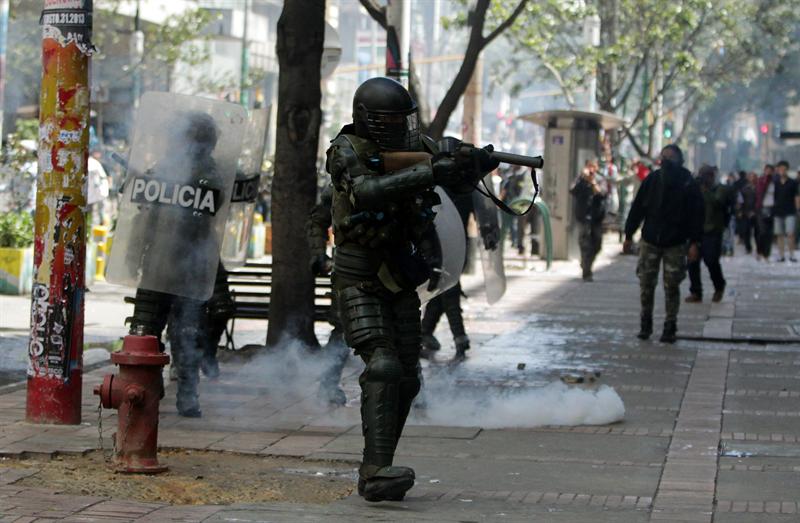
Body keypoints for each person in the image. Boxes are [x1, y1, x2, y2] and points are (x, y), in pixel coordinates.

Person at [326, 77, 497, 502]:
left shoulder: (419, 144)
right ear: (367, 119)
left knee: (407, 376)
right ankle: (377, 469)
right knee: (383, 364)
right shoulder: (345, 149)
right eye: (390, 121)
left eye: (404, 120)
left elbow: (450, 177)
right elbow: (365, 192)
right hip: (359, 276)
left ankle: (376, 468)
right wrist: (431, 170)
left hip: (400, 276)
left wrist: (472, 165)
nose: (400, 128)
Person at [623, 144, 704, 343]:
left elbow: (697, 215)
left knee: (672, 285)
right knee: (646, 283)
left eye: (670, 157)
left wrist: (695, 242)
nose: (666, 160)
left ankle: (670, 325)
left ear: (679, 159)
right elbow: (638, 208)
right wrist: (628, 234)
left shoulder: (688, 183)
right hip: (650, 239)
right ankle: (646, 323)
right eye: (663, 156)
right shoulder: (652, 180)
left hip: (675, 242)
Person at [306, 185, 349, 406]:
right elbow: (318, 219)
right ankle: (328, 385)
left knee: (402, 328)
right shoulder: (348, 179)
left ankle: (413, 390)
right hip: (350, 266)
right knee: (343, 329)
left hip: (391, 267)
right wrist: (318, 255)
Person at [686, 165, 733, 303]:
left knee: (711, 260)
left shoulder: (721, 189)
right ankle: (696, 291)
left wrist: (705, 190)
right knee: (692, 260)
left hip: (713, 230)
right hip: (696, 229)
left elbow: (717, 203)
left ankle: (719, 286)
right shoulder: (696, 188)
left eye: (706, 175)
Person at [570, 159, 607, 281]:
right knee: (585, 244)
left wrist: (593, 182)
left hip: (597, 217)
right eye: (589, 166)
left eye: (593, 166)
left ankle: (586, 263)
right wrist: (583, 179)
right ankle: (587, 271)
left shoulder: (600, 179)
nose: (591, 169)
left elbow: (602, 194)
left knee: (597, 244)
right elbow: (572, 190)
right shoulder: (580, 179)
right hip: (583, 217)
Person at [772, 160, 799, 262]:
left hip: (790, 211)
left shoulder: (793, 183)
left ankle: (792, 254)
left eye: (784, 169)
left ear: (787, 170)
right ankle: (781, 255)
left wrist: (797, 209)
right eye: (780, 169)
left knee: (790, 234)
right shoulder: (775, 183)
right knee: (779, 234)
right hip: (778, 211)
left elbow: (796, 197)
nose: (782, 171)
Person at [755, 164, 776, 260]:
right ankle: (759, 251)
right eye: (767, 170)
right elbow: (759, 192)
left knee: (769, 233)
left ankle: (767, 253)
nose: (768, 172)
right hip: (762, 207)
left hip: (772, 208)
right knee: (762, 231)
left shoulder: (775, 181)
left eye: (770, 171)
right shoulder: (761, 180)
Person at [736, 172, 758, 255]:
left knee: (758, 231)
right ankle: (748, 247)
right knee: (746, 231)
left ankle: (759, 247)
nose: (752, 179)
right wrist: (739, 211)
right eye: (751, 177)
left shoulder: (759, 188)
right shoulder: (744, 189)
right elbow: (740, 201)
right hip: (746, 212)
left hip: (757, 212)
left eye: (754, 177)